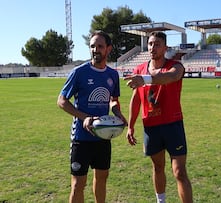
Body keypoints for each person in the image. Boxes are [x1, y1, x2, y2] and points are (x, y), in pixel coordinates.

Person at [57, 30, 127, 203]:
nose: (96, 50)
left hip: (103, 136)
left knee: (102, 179)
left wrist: (118, 114)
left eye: (100, 46)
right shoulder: (79, 72)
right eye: (92, 46)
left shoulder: (112, 75)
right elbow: (62, 101)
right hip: (81, 138)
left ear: (108, 49)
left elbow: (113, 100)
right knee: (78, 184)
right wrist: (84, 117)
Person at [124, 31, 193, 203]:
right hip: (151, 126)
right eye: (150, 44)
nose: (153, 47)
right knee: (157, 167)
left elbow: (170, 77)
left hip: (173, 125)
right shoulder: (140, 70)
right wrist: (131, 126)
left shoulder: (175, 66)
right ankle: (160, 201)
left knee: (179, 171)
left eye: (157, 44)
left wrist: (146, 79)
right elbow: (136, 100)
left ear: (165, 47)